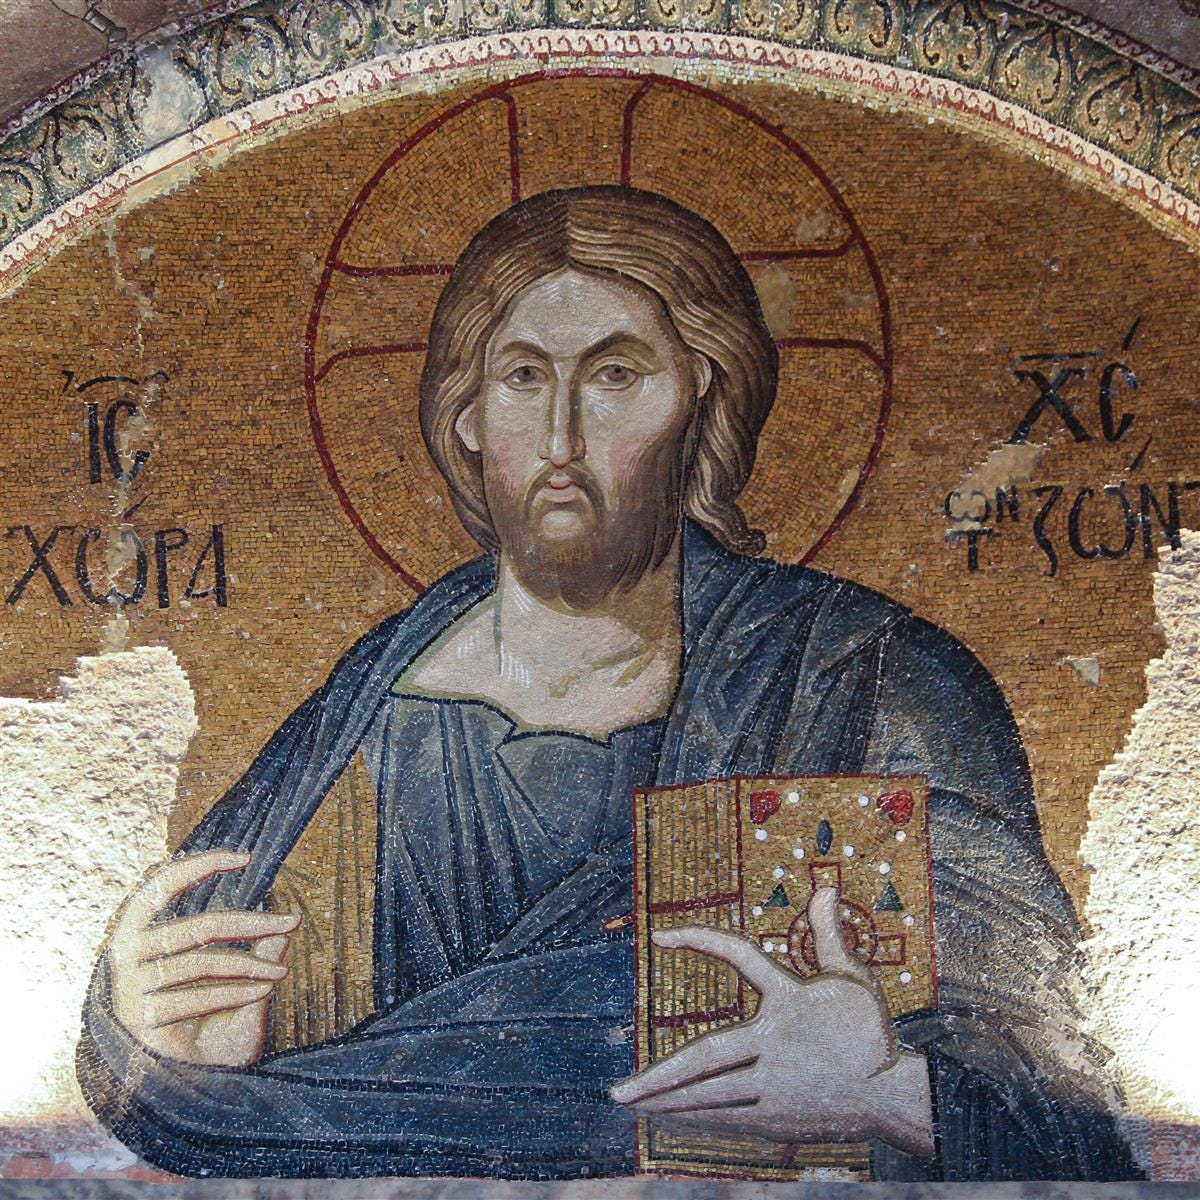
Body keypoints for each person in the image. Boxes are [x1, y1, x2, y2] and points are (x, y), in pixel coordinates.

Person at [77, 186, 1141, 1181]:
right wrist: (152, 1040)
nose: (561, 437)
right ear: (466, 415)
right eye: (522, 377)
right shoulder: (370, 712)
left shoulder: (867, 682)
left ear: (704, 397)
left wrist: (893, 1092)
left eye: (617, 374)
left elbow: (1065, 1113)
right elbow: (189, 1038)